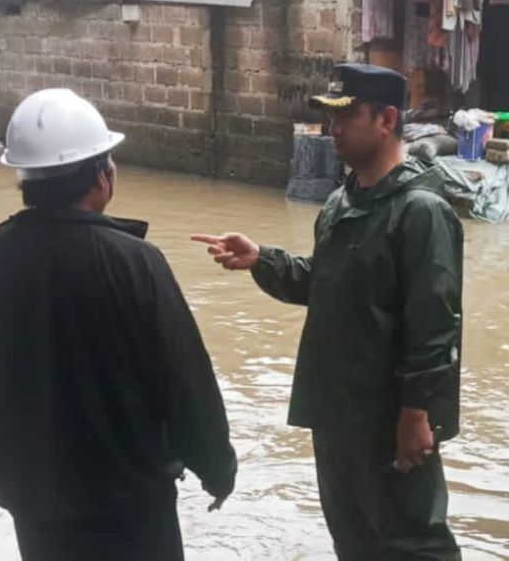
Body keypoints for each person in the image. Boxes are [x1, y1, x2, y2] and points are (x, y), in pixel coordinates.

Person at [0, 89, 236, 561]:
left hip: (40, 508)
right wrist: (217, 467)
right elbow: (185, 378)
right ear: (102, 176)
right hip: (135, 502)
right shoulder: (136, 262)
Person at [193, 63, 464, 560]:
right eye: (330, 117)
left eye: (346, 116)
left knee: (414, 542)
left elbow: (435, 324)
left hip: (389, 417)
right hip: (338, 413)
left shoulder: (420, 209)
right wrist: (263, 260)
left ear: (385, 120)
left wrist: (417, 412)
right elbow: (324, 284)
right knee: (353, 536)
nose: (332, 129)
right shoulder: (341, 203)